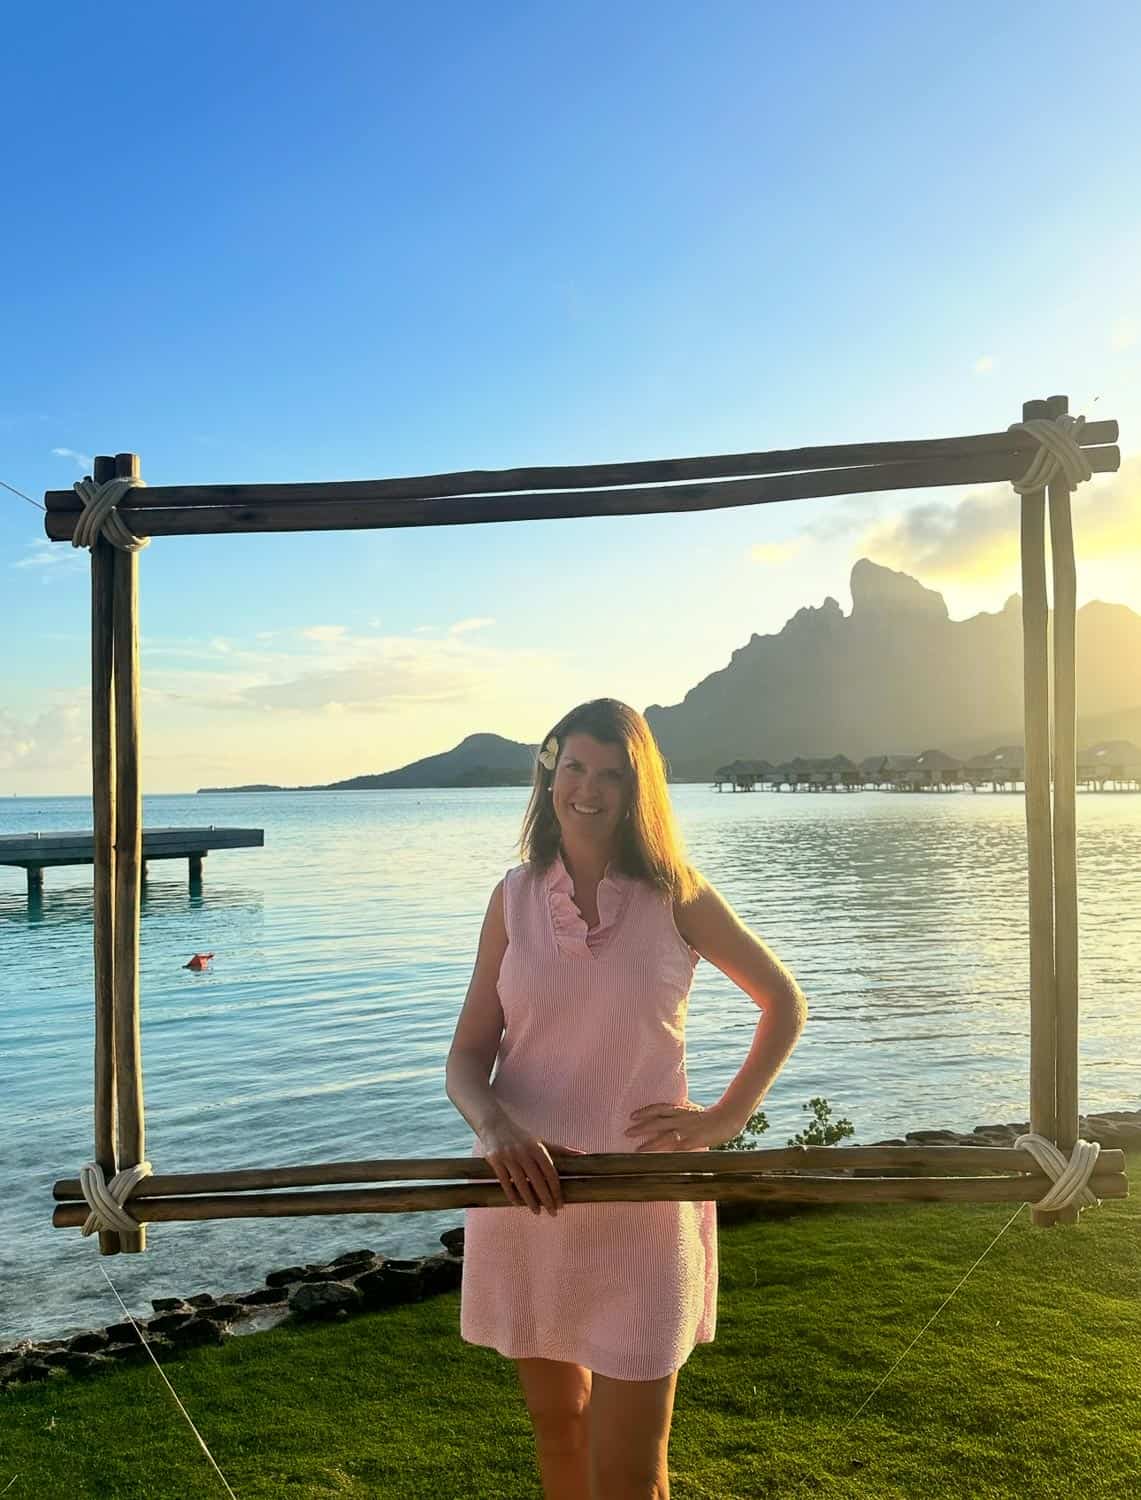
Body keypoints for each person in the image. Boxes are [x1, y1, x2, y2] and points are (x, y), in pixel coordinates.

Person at [446, 698, 807, 1500]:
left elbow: (782, 1000)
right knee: (559, 1438)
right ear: (547, 774)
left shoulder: (676, 892)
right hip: (527, 1196)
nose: (588, 788)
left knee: (632, 1472)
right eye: (573, 766)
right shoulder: (510, 899)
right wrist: (496, 1127)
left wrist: (724, 1118)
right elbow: (467, 1058)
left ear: (638, 787)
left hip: (645, 1200)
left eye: (612, 774)